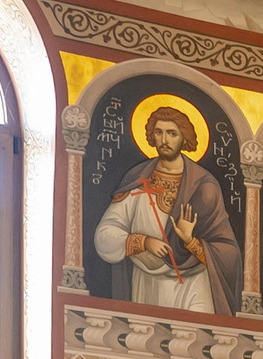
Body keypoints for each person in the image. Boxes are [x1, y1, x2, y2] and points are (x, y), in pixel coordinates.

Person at [94, 105, 244, 313]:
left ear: (184, 138)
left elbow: (229, 253)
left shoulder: (204, 185)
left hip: (193, 284)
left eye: (172, 133)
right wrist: (144, 242)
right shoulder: (138, 180)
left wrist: (190, 241)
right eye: (159, 132)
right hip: (148, 285)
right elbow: (105, 234)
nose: (164, 140)